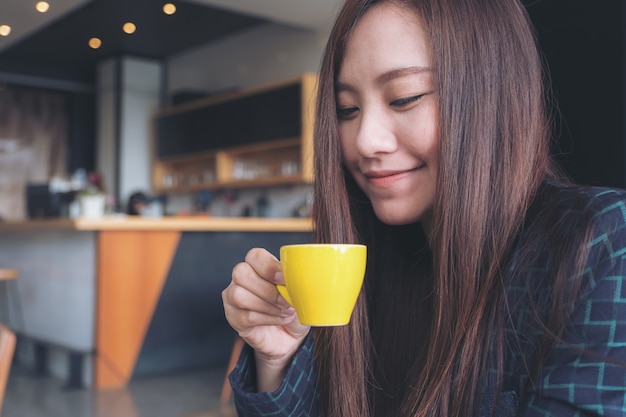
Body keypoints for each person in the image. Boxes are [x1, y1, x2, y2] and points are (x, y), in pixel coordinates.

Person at [221, 0, 626, 415]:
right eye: (347, 110)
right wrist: (278, 359)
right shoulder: (369, 261)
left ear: (494, 93)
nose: (365, 141)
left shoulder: (601, 241)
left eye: (404, 98)